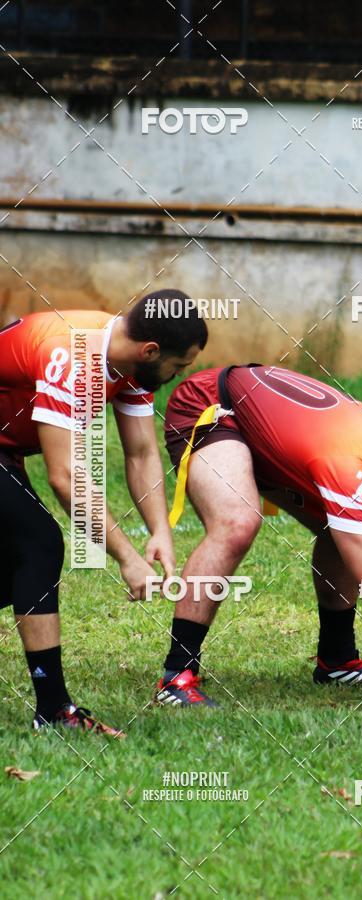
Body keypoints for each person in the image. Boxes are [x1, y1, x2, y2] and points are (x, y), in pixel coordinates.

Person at [156, 364, 362, 709]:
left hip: (278, 427)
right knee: (237, 523)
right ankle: (177, 675)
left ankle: (337, 660)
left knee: (344, 532)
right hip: (214, 404)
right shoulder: (347, 476)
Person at [0, 290, 207, 734]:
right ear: (151, 351)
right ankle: (54, 710)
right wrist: (127, 559)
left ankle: (53, 710)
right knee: (38, 543)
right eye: (178, 366)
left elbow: (140, 451)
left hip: (6, 452)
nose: (175, 377)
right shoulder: (71, 354)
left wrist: (159, 531)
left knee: (17, 566)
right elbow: (65, 476)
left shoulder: (129, 358)